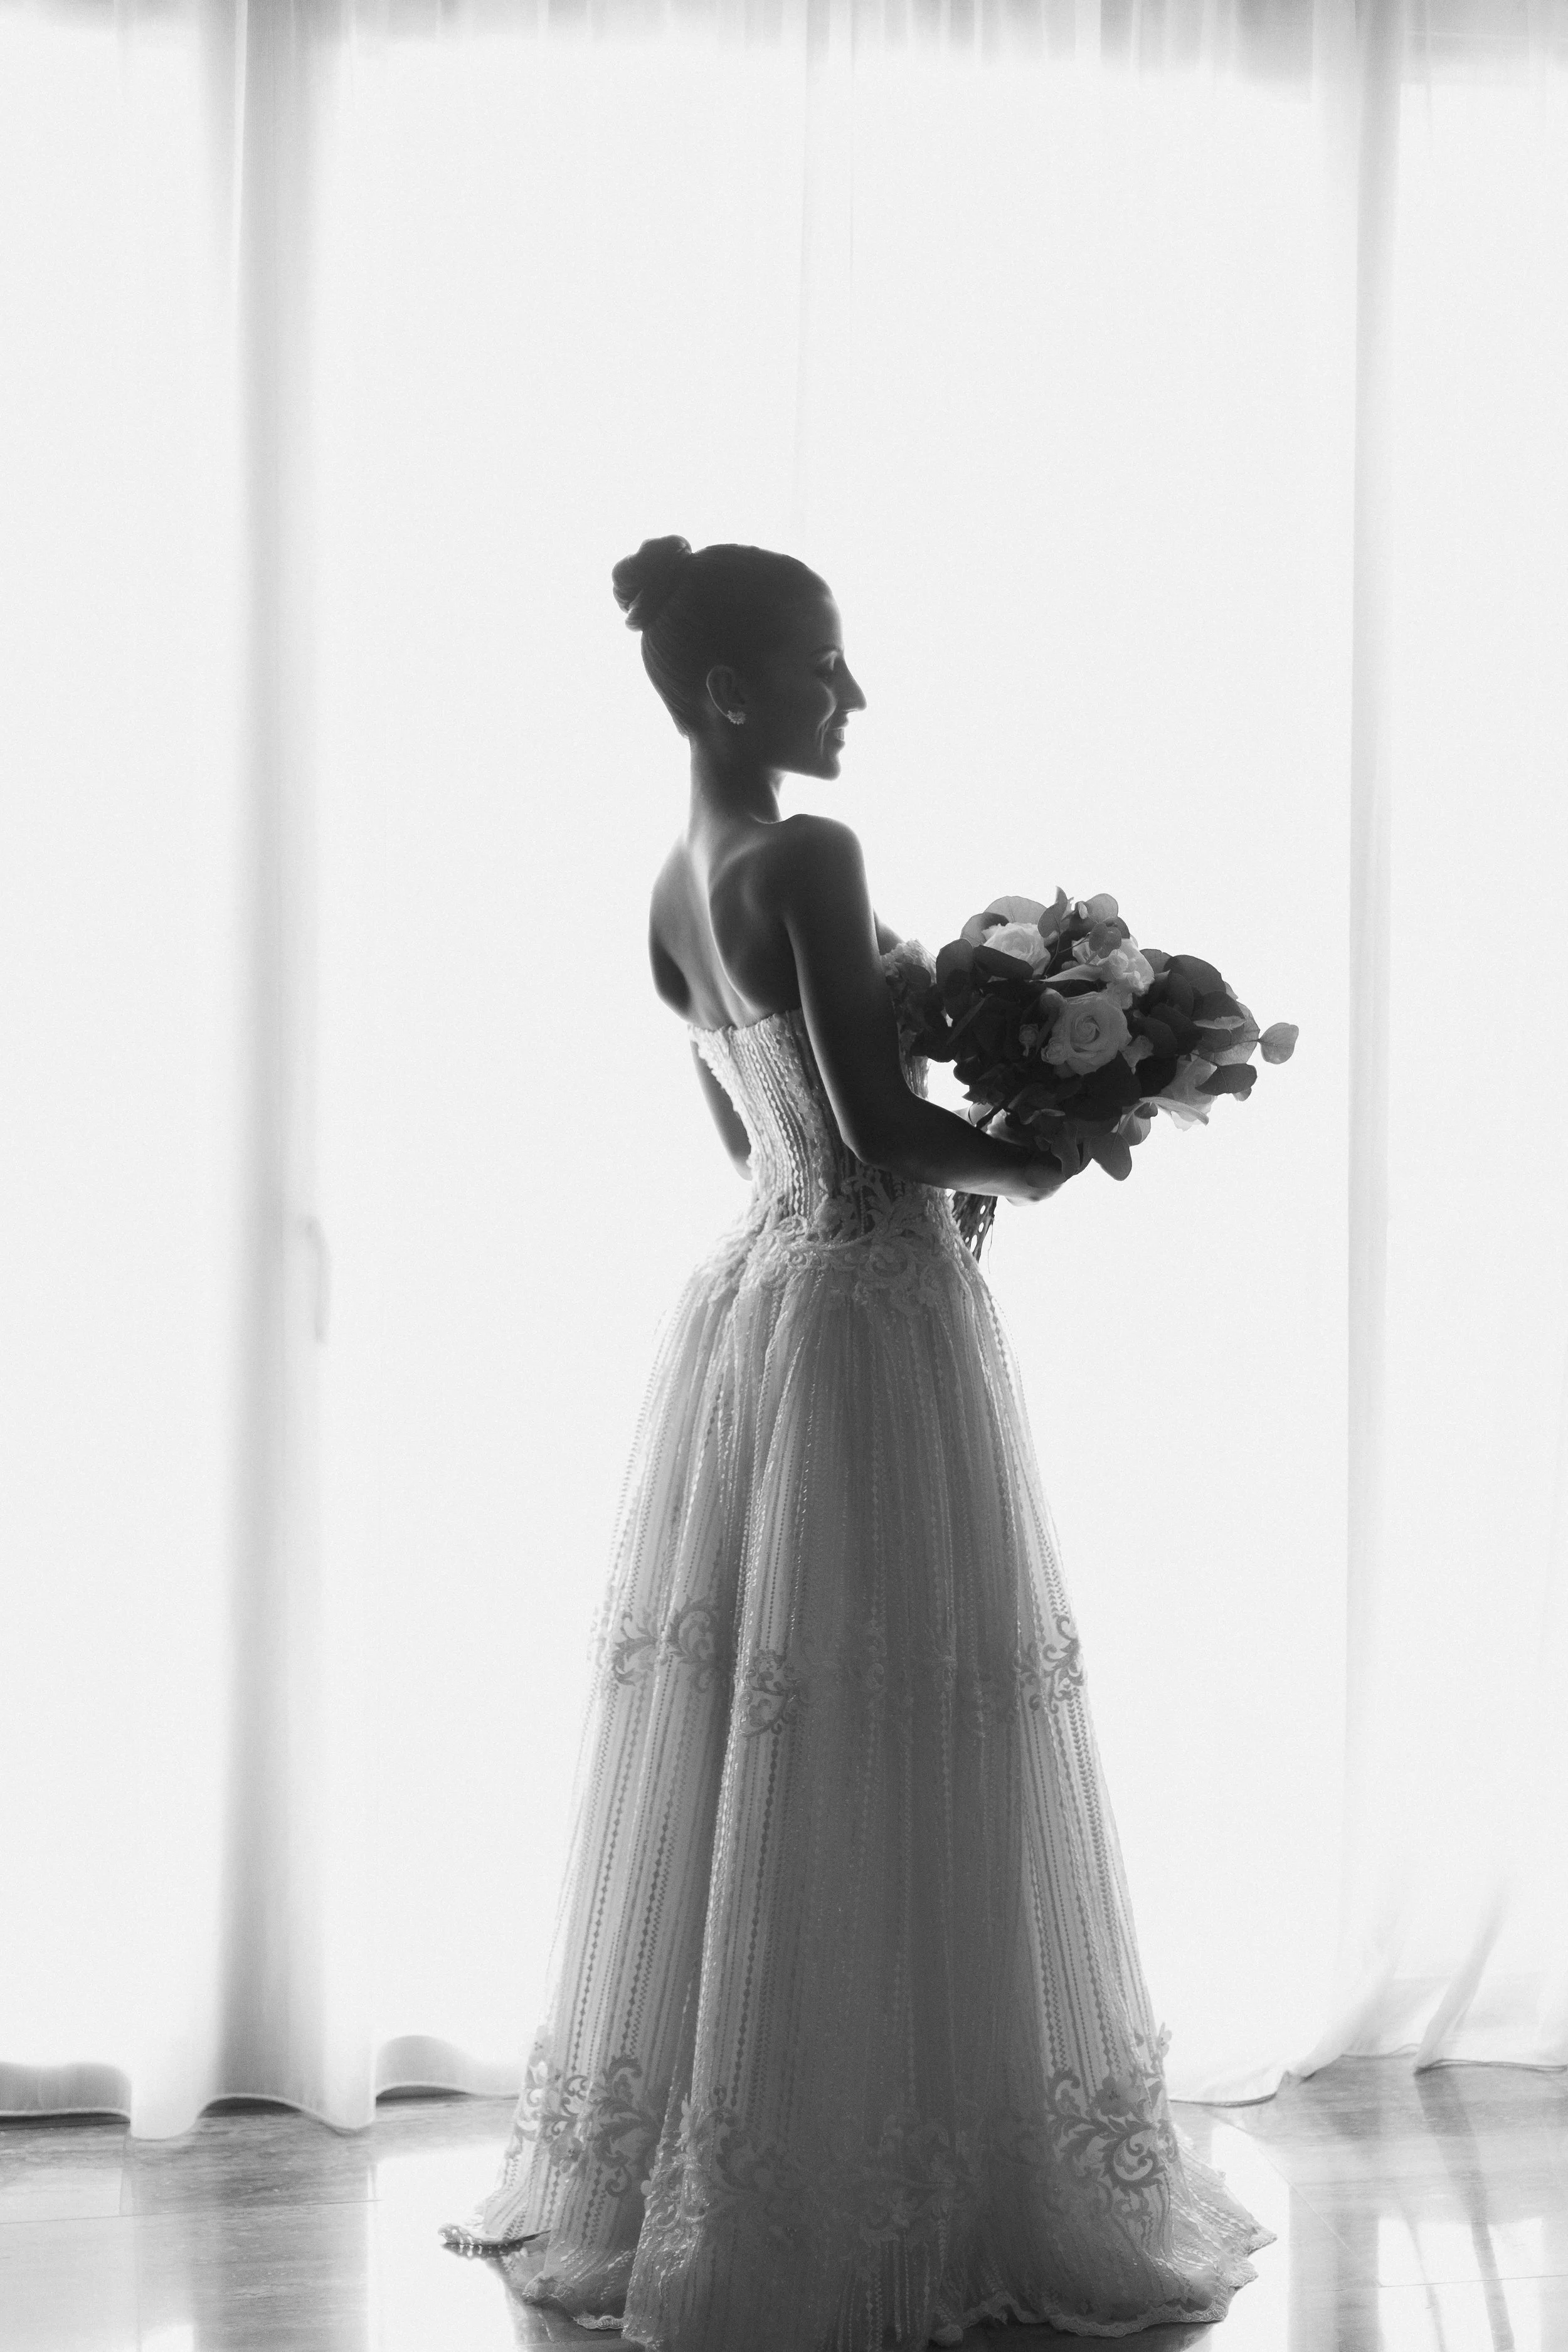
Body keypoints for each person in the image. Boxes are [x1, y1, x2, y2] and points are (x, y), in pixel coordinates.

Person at [442, 538, 1271, 2346]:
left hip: (759, 1304)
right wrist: (1031, 1160)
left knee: (776, 1720)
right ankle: (920, 2161)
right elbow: (884, 1130)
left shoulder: (668, 891)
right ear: (730, 687)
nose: (854, 696)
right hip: (870, 1318)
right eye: (825, 665)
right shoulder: (807, 854)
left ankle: (755, 2145)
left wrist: (945, 1145)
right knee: (908, 1705)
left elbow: (760, 1145)